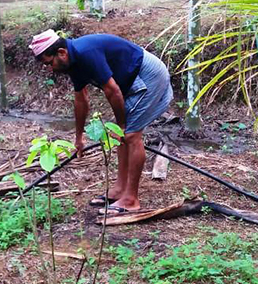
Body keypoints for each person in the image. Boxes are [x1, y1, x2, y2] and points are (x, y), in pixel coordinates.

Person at [29, 29, 173, 215]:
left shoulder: (85, 53)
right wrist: (79, 137)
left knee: (129, 135)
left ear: (61, 53)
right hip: (131, 80)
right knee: (121, 135)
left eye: (49, 63)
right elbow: (81, 100)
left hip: (148, 74)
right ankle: (120, 190)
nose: (50, 69)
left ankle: (131, 199)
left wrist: (121, 125)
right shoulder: (73, 62)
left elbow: (112, 91)